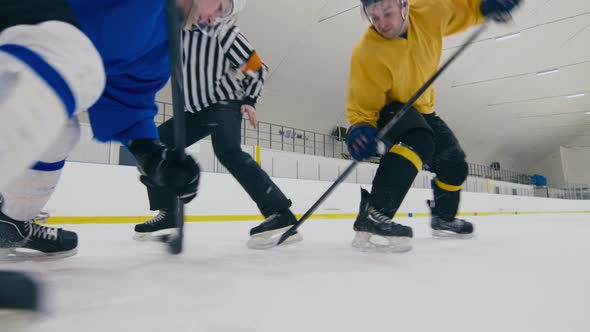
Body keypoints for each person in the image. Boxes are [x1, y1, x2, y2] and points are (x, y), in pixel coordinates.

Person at [0, 0, 235, 259]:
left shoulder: (164, 45)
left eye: (224, 15)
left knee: (62, 132)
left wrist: (153, 156)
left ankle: (11, 222)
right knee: (69, 60)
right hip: (21, 21)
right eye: (221, 6)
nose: (216, 17)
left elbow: (128, 100)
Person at [345, 0, 521, 252]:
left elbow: (465, 10)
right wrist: (359, 128)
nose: (381, 23)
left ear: (404, 5)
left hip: (423, 111)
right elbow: (362, 105)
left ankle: (443, 218)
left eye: (388, 13)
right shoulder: (367, 53)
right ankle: (374, 213)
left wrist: (487, 6)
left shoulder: (431, 10)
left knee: (454, 163)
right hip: (391, 111)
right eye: (374, 16)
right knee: (420, 139)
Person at [133, 19, 303, 249]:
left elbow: (257, 66)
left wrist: (250, 99)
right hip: (194, 110)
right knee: (156, 145)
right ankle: (169, 213)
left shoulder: (222, 31)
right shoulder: (174, 33)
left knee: (227, 150)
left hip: (224, 101)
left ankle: (280, 212)